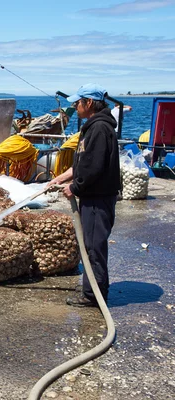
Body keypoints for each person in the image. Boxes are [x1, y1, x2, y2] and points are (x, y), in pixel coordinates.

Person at [49, 83, 121, 307]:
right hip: (94, 196)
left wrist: (75, 187)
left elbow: (94, 167)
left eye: (77, 102)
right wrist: (62, 177)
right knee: (90, 244)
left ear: (89, 103)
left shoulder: (99, 129)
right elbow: (84, 162)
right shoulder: (94, 126)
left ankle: (93, 296)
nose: (75, 106)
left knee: (93, 246)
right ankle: (93, 288)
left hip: (97, 198)